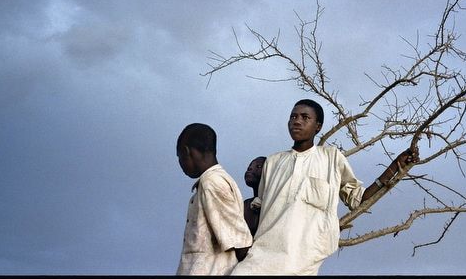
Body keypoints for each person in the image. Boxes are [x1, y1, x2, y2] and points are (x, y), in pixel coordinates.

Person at [231, 99, 418, 275]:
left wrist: (394, 167)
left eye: (305, 117)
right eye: (293, 116)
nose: (297, 121)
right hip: (263, 253)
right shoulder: (273, 161)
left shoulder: (331, 158)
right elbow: (260, 206)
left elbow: (358, 199)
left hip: (303, 257)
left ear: (318, 126)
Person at [175, 123, 253, 275]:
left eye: (179, 158)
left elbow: (240, 241)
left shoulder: (211, 182)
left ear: (186, 151)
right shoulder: (214, 180)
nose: (180, 165)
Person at [243, 156, 266, 237]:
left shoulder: (273, 204)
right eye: (249, 166)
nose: (250, 169)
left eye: (258, 166)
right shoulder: (245, 205)